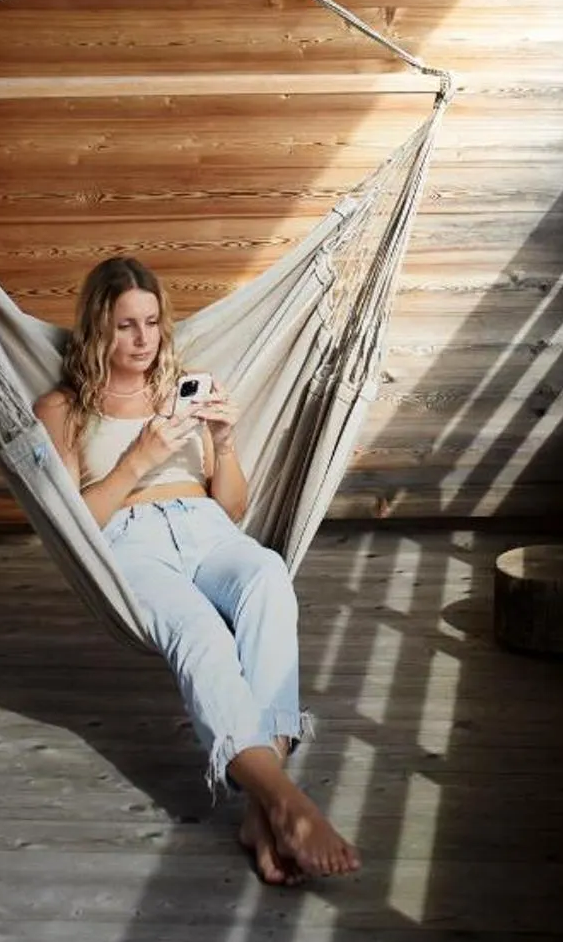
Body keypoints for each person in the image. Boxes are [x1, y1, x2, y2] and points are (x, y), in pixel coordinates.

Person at [34, 255, 359, 885]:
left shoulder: (189, 385)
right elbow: (76, 522)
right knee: (202, 634)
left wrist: (226, 442)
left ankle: (263, 812)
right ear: (97, 327)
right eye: (126, 325)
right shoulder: (62, 408)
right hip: (128, 542)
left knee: (267, 576)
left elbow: (232, 505)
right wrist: (136, 460)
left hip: (206, 527)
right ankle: (285, 803)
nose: (143, 340)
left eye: (152, 323)